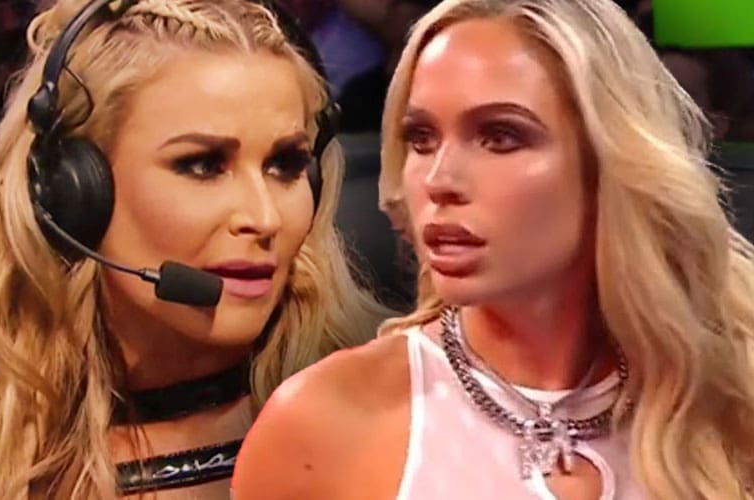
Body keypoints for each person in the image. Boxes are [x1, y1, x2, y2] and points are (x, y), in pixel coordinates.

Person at [232, 0, 754, 498]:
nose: (439, 181)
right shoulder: (324, 424)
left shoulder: (727, 400)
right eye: (421, 138)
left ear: (609, 162)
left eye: (500, 137)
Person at [0, 0, 390, 498]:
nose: (265, 217)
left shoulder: (400, 409)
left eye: (285, 164)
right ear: (69, 192)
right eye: (203, 165)